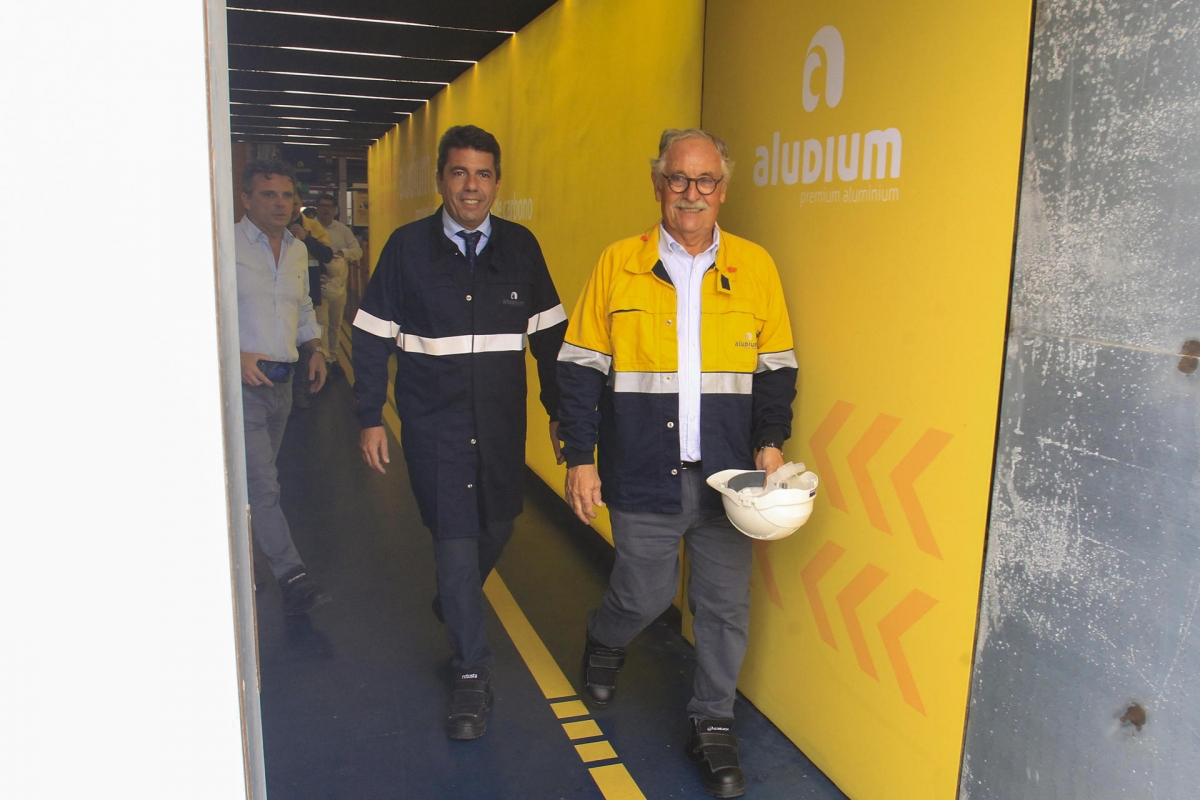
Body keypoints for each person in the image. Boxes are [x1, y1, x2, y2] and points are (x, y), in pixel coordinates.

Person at [556, 129, 798, 799]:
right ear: (658, 182)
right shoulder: (618, 263)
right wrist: (581, 457)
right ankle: (606, 636)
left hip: (730, 479)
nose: (692, 194)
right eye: (679, 179)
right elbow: (579, 369)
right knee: (646, 592)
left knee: (724, 610)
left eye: (706, 181)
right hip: (641, 467)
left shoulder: (755, 266)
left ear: (724, 188)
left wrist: (771, 442)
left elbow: (775, 369)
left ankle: (712, 723)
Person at [352, 125, 567, 740]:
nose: (471, 186)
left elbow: (551, 343)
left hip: (500, 428)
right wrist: (370, 414)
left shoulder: (521, 248)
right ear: (441, 179)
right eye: (458, 173)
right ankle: (471, 674)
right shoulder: (406, 249)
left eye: (482, 174)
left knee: (497, 525)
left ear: (496, 182)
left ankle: (455, 600)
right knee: (454, 536)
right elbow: (369, 339)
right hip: (433, 426)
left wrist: (562, 415)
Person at [235, 159, 330, 616]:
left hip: (282, 386)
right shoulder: (223, 244)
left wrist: (314, 348)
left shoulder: (296, 249)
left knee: (252, 485)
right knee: (264, 485)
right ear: (246, 199)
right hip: (241, 387)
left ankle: (238, 564)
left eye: (286, 196)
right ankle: (292, 574)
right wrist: (232, 356)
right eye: (268, 194)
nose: (279, 203)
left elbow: (304, 305)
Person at [288, 197, 332, 406]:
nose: (286, 205)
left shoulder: (313, 227)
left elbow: (327, 254)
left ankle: (300, 390)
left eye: (291, 199)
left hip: (309, 293)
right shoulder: (273, 228)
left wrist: (306, 238)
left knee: (308, 340)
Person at [314, 193, 363, 375]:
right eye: (322, 206)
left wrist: (343, 253)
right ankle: (323, 358)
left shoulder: (342, 230)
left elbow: (357, 251)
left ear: (335, 210)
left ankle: (333, 357)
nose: (325, 209)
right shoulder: (311, 228)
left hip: (338, 287)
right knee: (321, 323)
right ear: (317, 208)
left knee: (335, 323)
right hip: (317, 285)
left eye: (329, 206)